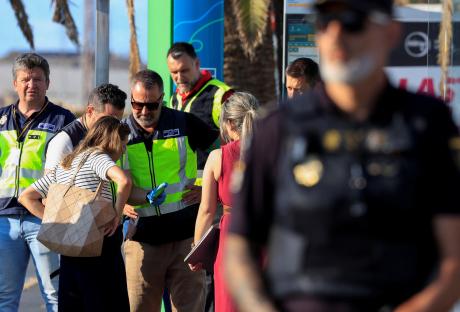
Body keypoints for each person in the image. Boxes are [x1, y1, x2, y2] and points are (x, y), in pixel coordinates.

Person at [225, 0, 460, 312]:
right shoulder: (278, 129)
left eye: (352, 20)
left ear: (390, 32)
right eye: (325, 20)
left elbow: (454, 257)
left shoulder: (428, 124)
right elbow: (239, 247)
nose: (336, 33)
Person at [19, 116, 144, 311]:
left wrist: (54, 219)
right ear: (112, 140)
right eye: (123, 144)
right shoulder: (98, 157)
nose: (124, 150)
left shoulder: (67, 162)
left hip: (69, 246)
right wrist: (117, 214)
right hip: (99, 245)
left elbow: (26, 196)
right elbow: (124, 181)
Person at [121, 69, 219, 312]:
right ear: (130, 100)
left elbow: (226, 154)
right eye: (138, 105)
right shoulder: (119, 133)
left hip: (186, 240)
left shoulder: (184, 122)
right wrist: (119, 203)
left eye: (152, 105)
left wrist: (207, 189)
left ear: (162, 99)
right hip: (141, 241)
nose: (144, 111)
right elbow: (102, 178)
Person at [0, 52, 75, 312]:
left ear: (48, 83)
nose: (31, 84)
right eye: (25, 79)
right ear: (15, 84)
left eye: (38, 79)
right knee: (4, 298)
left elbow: (75, 168)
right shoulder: (0, 120)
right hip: (4, 220)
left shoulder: (63, 120)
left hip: (45, 217)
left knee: (54, 295)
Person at [167, 41, 234, 312]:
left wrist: (211, 187)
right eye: (173, 73)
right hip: (184, 200)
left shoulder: (221, 95)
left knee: (208, 268)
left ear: (197, 64)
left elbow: (232, 144)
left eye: (184, 70)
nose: (179, 78)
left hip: (212, 196)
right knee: (190, 274)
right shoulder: (173, 98)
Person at [190, 92, 259, 312]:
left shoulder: (218, 157)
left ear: (229, 124)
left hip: (232, 241)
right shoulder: (273, 150)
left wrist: (196, 249)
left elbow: (207, 210)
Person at [45, 83, 126, 172]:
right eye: (108, 120)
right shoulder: (64, 141)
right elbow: (50, 183)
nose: (114, 126)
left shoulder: (119, 138)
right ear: (90, 111)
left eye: (118, 121)